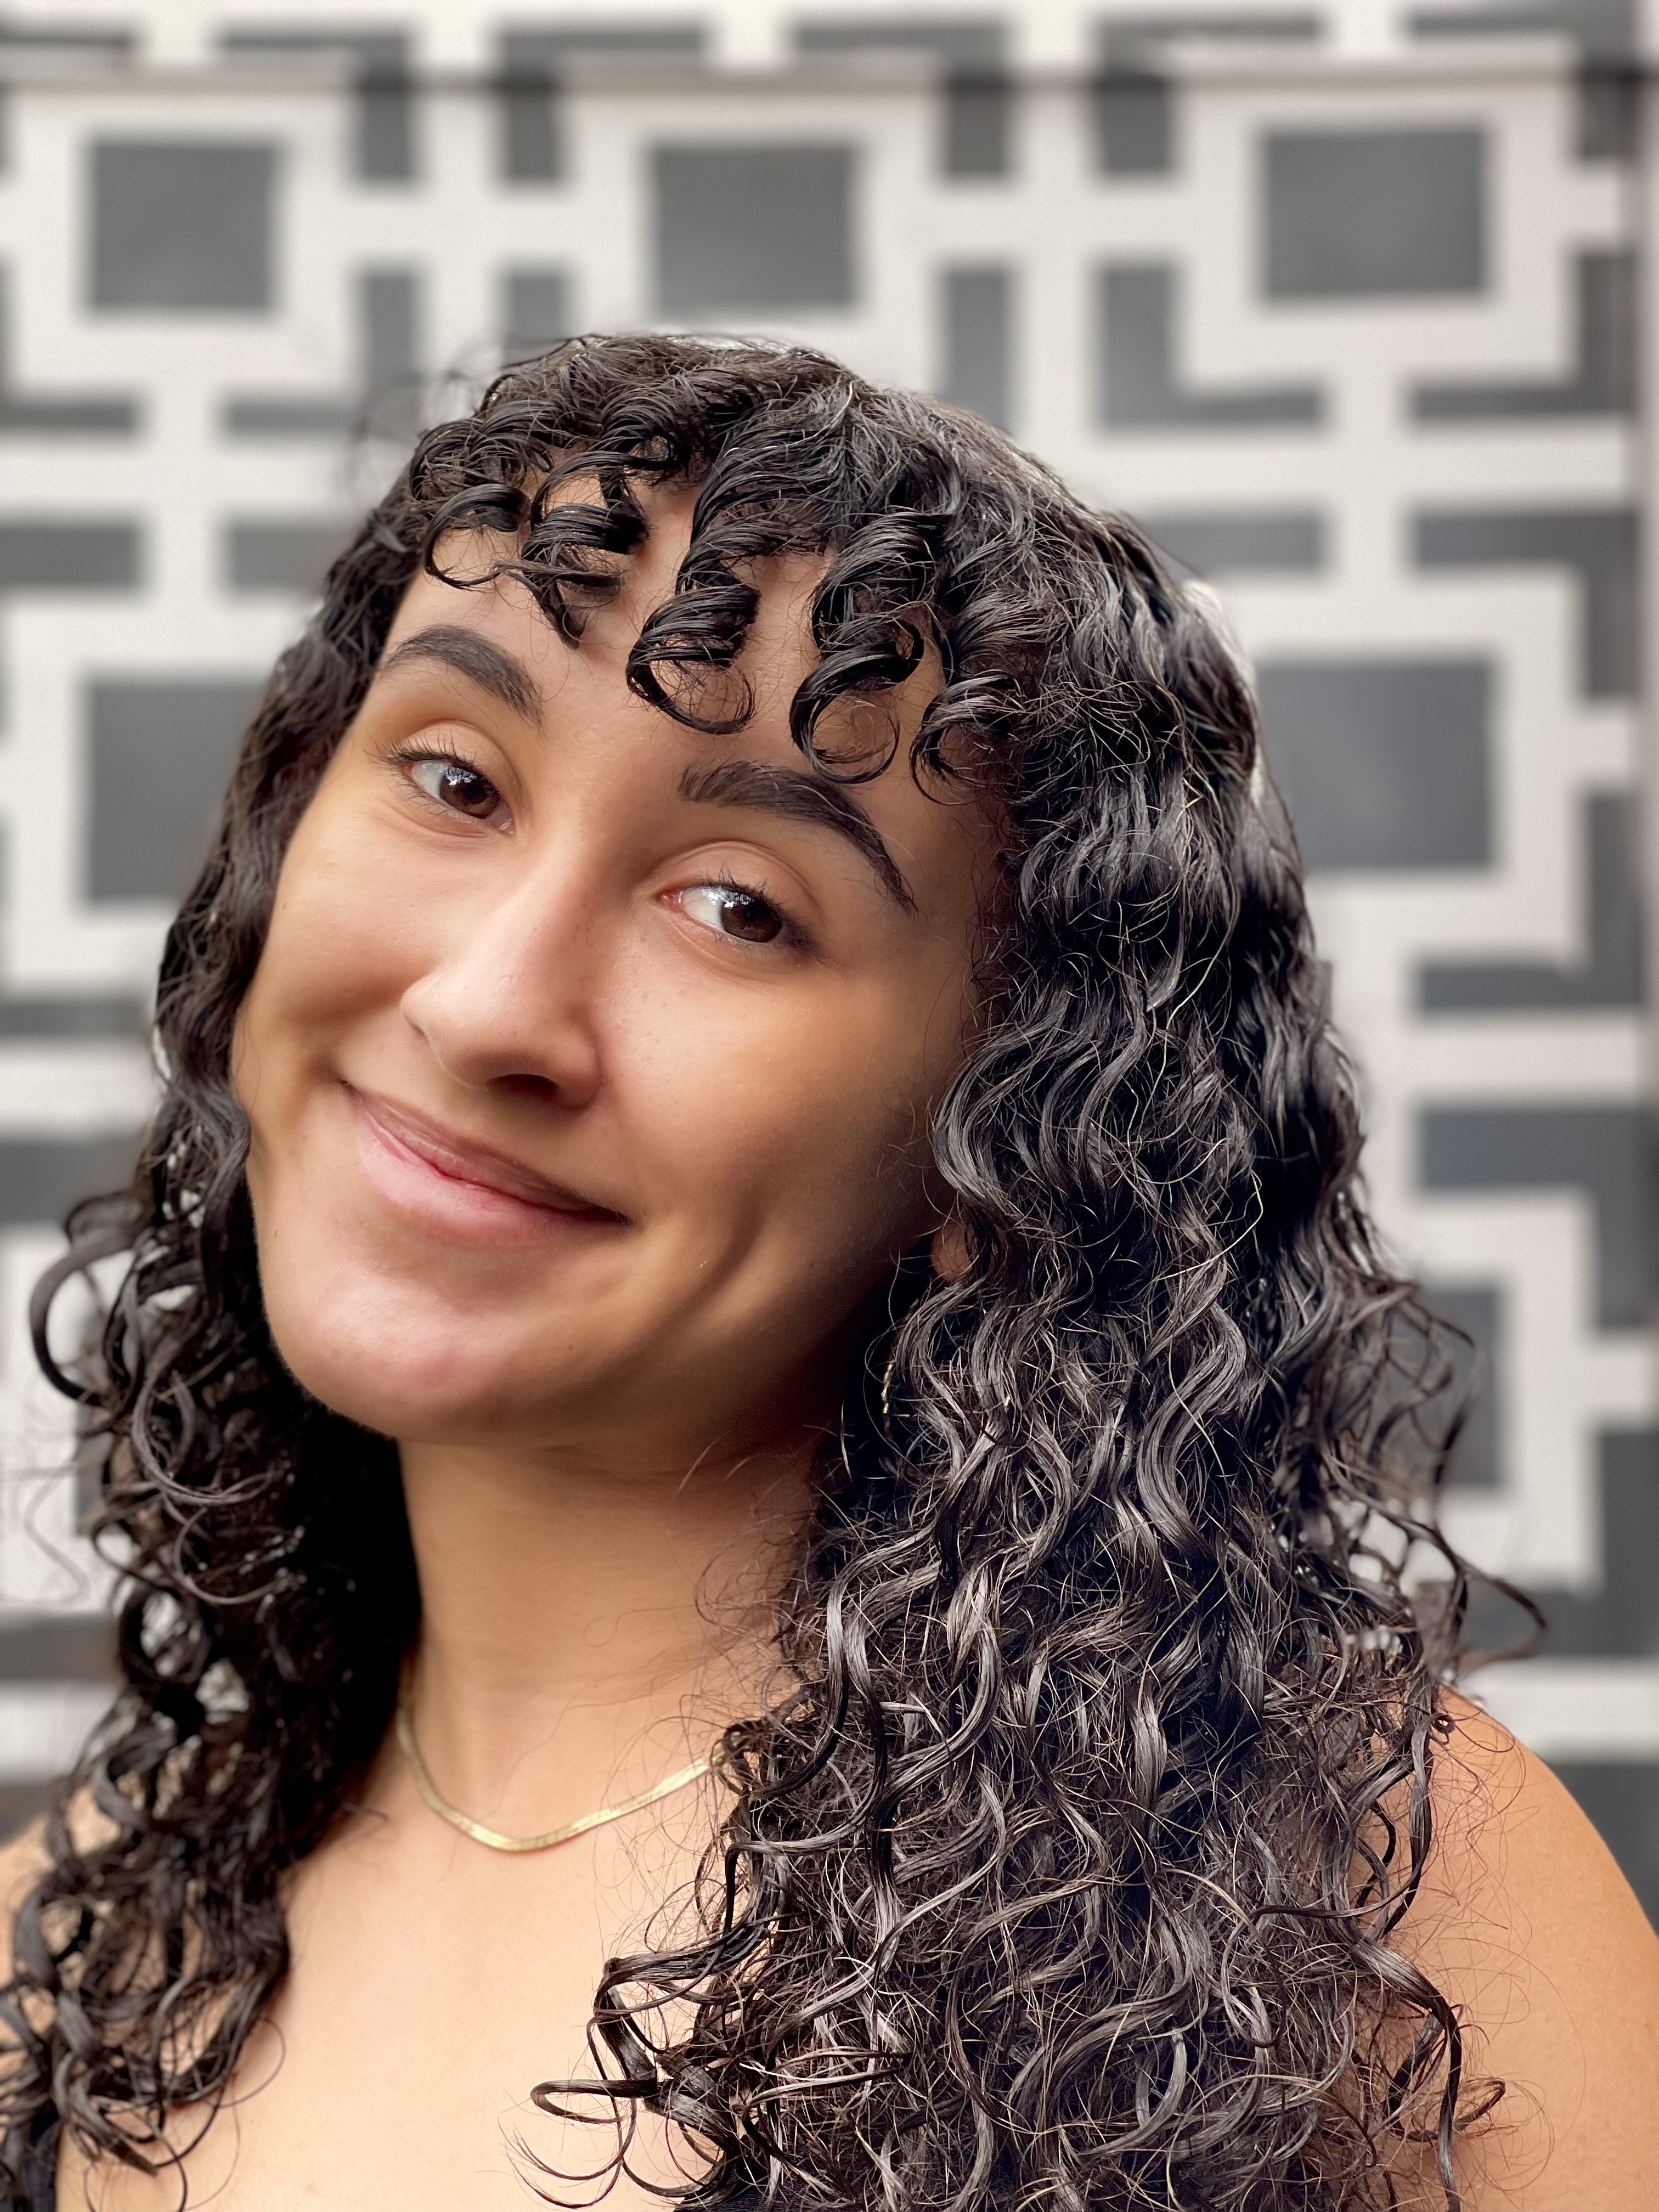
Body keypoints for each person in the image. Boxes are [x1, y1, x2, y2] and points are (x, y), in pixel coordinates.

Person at [1, 334, 1654, 2212]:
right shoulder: (60, 1965)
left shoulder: (1359, 1903)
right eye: (456, 781)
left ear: (1003, 1132)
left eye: (740, 908)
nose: (483, 1011)